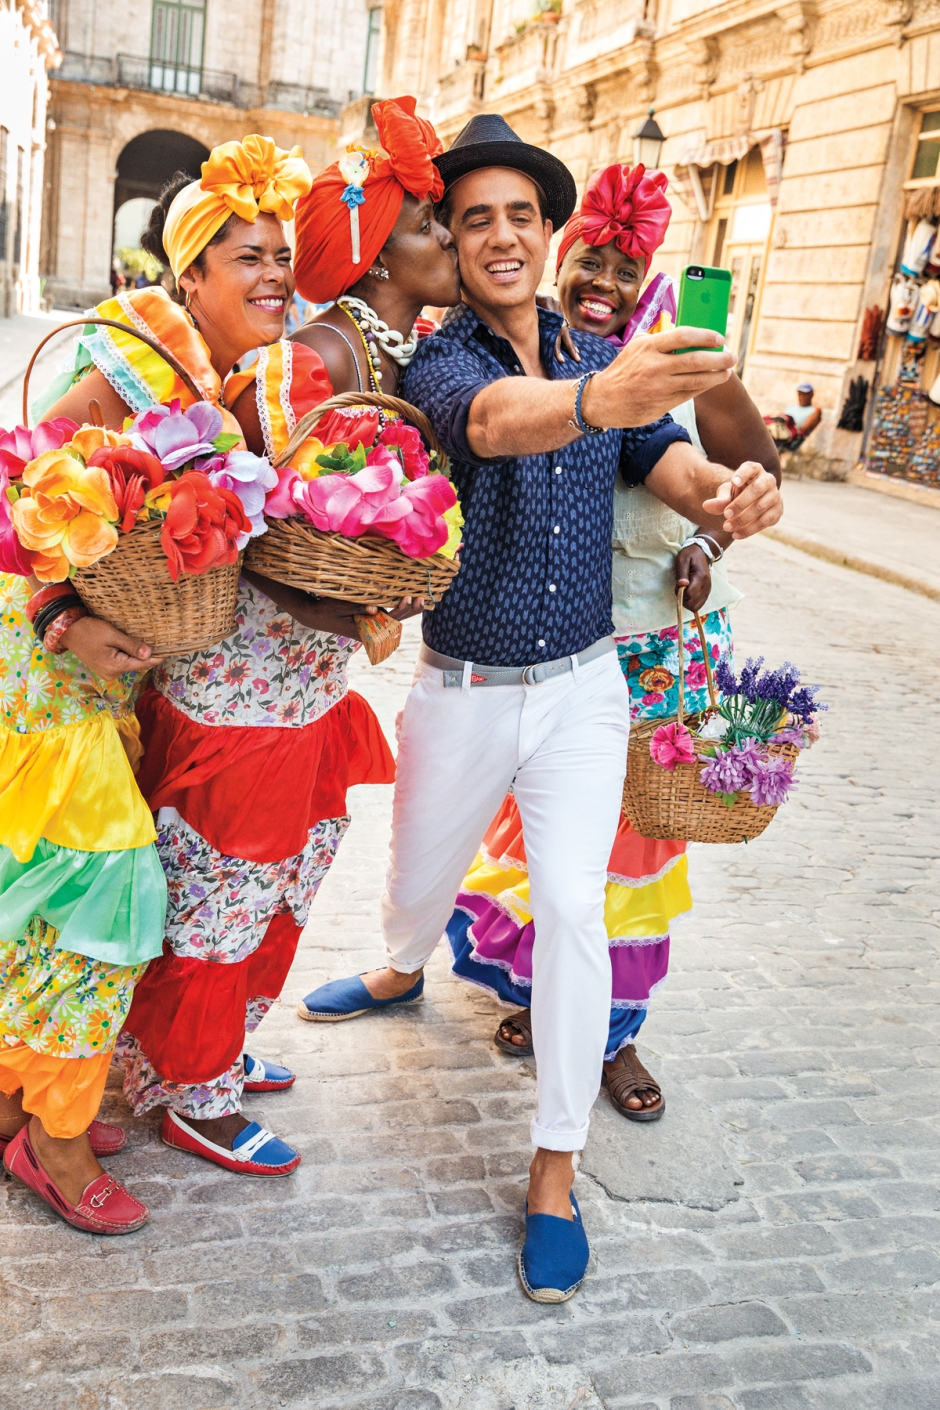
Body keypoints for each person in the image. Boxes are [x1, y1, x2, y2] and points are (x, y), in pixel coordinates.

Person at [296, 113, 783, 1302]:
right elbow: (489, 425)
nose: (501, 235)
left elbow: (665, 461)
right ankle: (405, 967)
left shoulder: (592, 348)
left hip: (582, 692)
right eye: (475, 220)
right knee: (413, 884)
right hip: (461, 691)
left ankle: (555, 1171)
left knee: (573, 911)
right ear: (454, 246)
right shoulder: (440, 357)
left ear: (548, 229)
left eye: (521, 214)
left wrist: (729, 490)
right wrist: (598, 396)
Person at [43, 136, 396, 1178]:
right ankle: (193, 1091)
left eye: (282, 253)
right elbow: (28, 495)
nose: (275, 272)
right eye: (245, 255)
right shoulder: (133, 365)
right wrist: (63, 609)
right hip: (219, 700)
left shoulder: (267, 371)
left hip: (301, 696)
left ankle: (204, 1048)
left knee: (282, 884)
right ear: (187, 274)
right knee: (217, 899)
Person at [446, 162, 780, 1121]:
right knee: (550, 842)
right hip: (569, 650)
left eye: (626, 270)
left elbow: (745, 473)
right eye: (591, 260)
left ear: (652, 279)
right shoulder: (541, 357)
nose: (604, 284)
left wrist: (713, 536)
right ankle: (544, 997)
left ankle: (615, 1035)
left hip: (667, 649)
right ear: (561, 254)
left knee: (636, 847)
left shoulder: (674, 358)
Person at [0, 552, 165, 1233]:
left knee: (36, 901)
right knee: (103, 922)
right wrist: (60, 614)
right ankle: (54, 1141)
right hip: (41, 655)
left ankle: (16, 1100)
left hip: (65, 662)